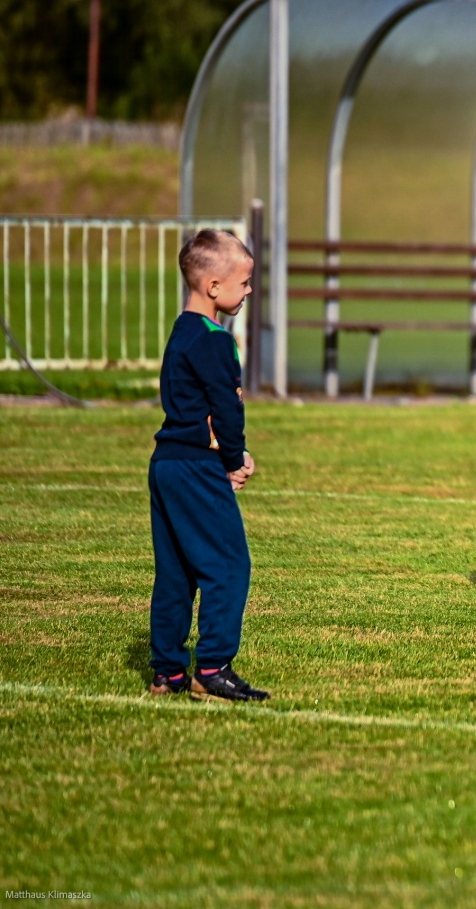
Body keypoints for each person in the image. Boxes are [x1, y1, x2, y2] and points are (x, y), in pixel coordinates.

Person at [147, 229, 268, 703]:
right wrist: (235, 460)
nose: (249, 289)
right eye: (244, 281)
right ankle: (213, 668)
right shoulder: (216, 341)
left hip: (167, 464)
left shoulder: (182, 332)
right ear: (214, 287)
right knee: (229, 565)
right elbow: (226, 409)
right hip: (198, 468)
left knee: (176, 571)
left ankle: (167, 672)